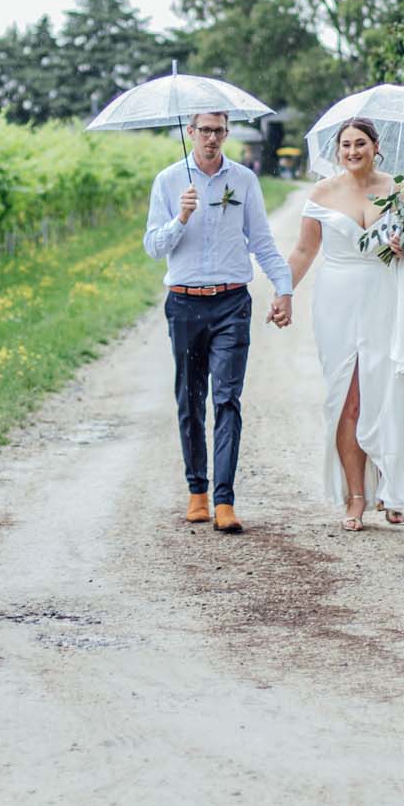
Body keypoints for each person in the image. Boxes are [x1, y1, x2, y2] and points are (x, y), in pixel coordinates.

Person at [273, 117, 404, 531]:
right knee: (346, 400)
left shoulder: (400, 190)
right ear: (337, 151)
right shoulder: (322, 192)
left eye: (360, 143)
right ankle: (355, 497)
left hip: (387, 299)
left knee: (388, 394)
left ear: (375, 146)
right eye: (346, 145)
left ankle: (392, 489)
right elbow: (303, 250)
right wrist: (284, 293)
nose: (352, 151)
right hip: (338, 302)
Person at [144, 112, 293, 533]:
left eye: (218, 131)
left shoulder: (244, 180)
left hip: (231, 302)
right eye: (204, 130)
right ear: (190, 132)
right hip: (185, 303)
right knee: (190, 400)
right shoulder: (169, 181)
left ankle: (225, 500)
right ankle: (198, 492)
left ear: (227, 134)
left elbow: (261, 241)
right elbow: (154, 246)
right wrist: (181, 218)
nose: (211, 138)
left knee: (227, 399)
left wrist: (284, 289)